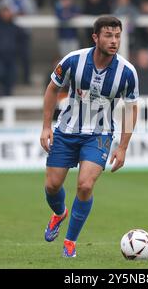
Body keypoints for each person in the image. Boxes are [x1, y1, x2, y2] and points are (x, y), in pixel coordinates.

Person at [40, 16, 139, 258]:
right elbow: (53, 88)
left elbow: (131, 108)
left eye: (117, 36)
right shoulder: (73, 60)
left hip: (100, 134)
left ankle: (70, 242)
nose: (114, 41)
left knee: (85, 185)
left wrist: (123, 146)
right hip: (66, 130)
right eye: (108, 35)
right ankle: (59, 212)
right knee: (52, 186)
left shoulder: (127, 72)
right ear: (96, 37)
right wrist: (46, 126)